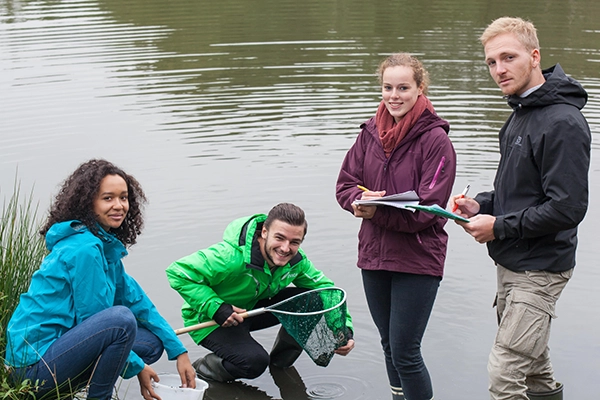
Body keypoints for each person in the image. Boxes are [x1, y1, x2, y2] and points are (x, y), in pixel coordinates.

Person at [451, 17, 591, 400]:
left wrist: (497, 227)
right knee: (534, 370)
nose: (499, 70)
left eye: (508, 57)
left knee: (504, 372)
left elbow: (567, 208)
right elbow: (515, 191)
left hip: (542, 268)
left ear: (534, 56)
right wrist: (481, 203)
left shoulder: (563, 121)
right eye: (492, 62)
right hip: (512, 261)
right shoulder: (519, 116)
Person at [5, 159, 196, 400]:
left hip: (57, 350)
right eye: (108, 198)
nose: (119, 206)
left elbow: (137, 301)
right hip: (31, 370)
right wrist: (136, 367)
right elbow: (99, 319)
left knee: (151, 342)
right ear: (88, 203)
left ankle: (79, 388)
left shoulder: (103, 245)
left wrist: (179, 351)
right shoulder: (85, 249)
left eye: (123, 197)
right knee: (121, 319)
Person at [336, 53, 456, 400]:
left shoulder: (437, 142)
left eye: (403, 87)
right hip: (374, 257)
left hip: (418, 261)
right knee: (389, 345)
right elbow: (345, 184)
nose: (394, 95)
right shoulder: (369, 134)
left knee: (406, 350)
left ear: (420, 89)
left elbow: (428, 211)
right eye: (388, 87)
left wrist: (377, 213)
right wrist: (357, 204)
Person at [166, 203, 355, 382]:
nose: (285, 248)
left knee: (312, 299)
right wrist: (216, 306)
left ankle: (280, 365)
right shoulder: (228, 257)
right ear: (264, 232)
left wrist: (342, 330)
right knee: (254, 363)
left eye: (294, 242)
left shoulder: (297, 262)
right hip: (211, 319)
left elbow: (327, 290)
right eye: (279, 238)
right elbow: (178, 272)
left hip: (251, 310)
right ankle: (204, 368)